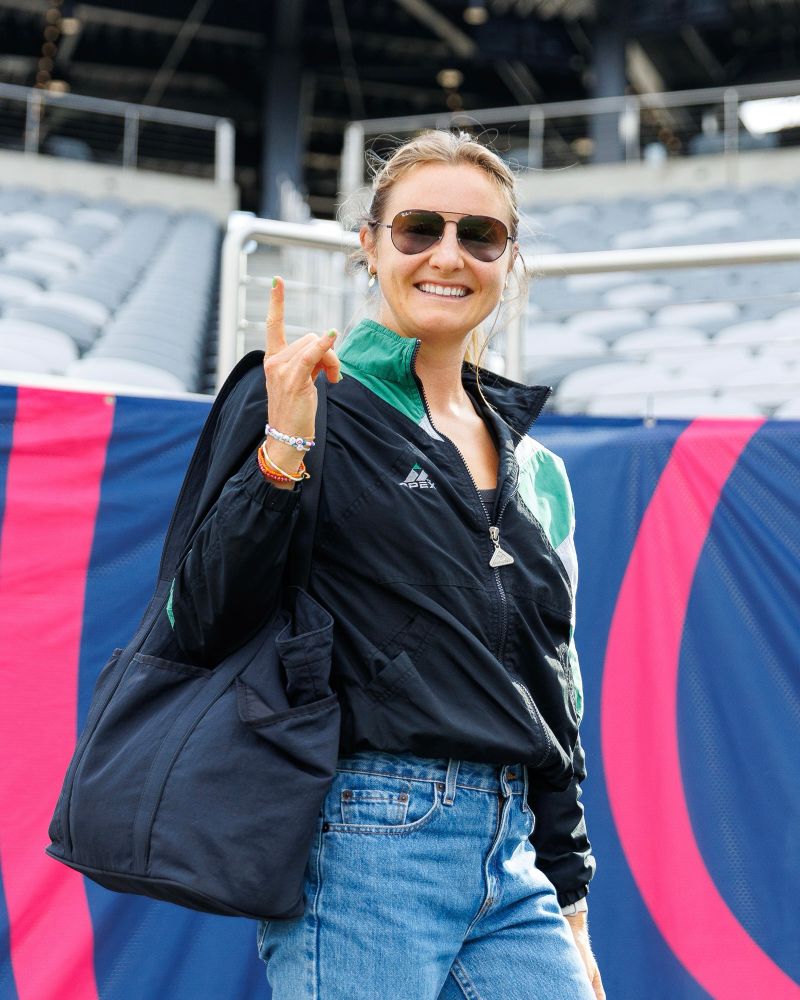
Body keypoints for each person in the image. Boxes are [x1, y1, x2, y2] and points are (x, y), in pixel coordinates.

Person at [168, 130, 604, 999]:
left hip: (511, 858)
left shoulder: (538, 471)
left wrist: (572, 901)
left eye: (479, 235)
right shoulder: (303, 394)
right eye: (419, 228)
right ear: (370, 247)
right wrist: (284, 446)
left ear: (509, 259)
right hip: (366, 837)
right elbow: (197, 617)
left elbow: (554, 694)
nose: (449, 254)